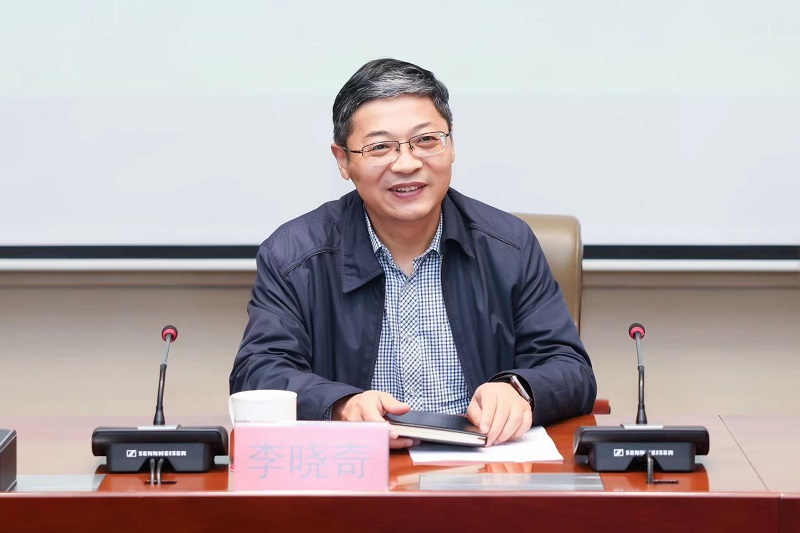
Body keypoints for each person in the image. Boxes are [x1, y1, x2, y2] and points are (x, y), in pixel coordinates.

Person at [230, 58, 596, 448]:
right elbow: (259, 372)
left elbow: (570, 368)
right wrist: (342, 406)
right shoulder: (294, 255)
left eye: (426, 140)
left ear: (451, 146)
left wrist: (519, 388)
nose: (407, 164)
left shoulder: (510, 245)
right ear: (343, 161)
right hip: (362, 466)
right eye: (380, 147)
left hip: (485, 466)